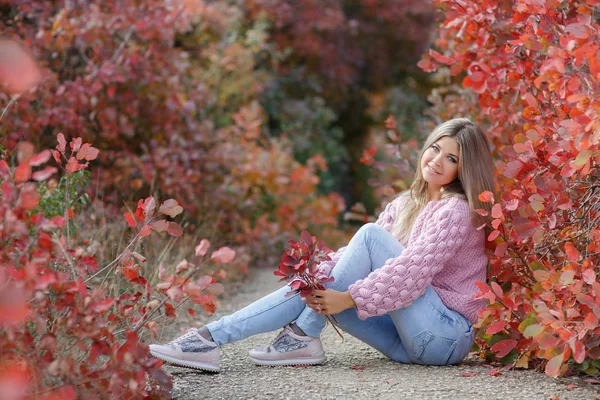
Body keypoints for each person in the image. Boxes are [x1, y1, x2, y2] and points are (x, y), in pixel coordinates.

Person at [149, 117, 496, 372]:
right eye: (435, 148)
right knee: (320, 285)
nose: (436, 160)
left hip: (445, 337)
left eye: (452, 158)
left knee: (369, 238)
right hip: (403, 341)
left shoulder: (456, 211)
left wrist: (347, 298)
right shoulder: (405, 203)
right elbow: (352, 261)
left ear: (465, 169)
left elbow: (410, 273)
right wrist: (316, 280)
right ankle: (210, 339)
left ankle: (300, 335)